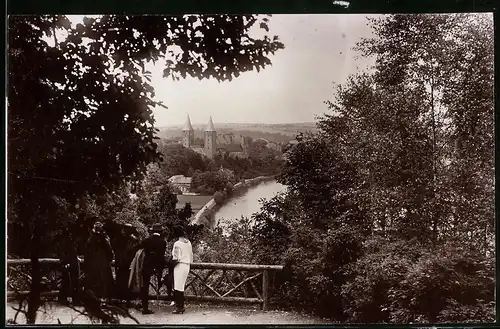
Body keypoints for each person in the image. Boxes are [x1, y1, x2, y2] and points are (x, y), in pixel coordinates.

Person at [135, 223, 166, 315]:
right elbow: (161, 257)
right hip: (156, 266)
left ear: (152, 231)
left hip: (146, 265)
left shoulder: (147, 240)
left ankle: (144, 307)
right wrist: (159, 269)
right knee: (158, 283)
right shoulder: (163, 242)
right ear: (161, 232)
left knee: (144, 286)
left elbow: (137, 246)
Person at [83, 221, 115, 301]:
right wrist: (110, 259)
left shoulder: (90, 240)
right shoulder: (104, 240)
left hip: (93, 265)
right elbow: (109, 251)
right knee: (104, 282)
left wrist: (87, 264)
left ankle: (95, 299)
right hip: (102, 265)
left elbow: (86, 254)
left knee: (94, 282)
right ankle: (104, 299)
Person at [114, 223, 140, 307]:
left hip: (124, 263)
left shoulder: (124, 238)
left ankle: (123, 299)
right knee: (125, 281)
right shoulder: (125, 239)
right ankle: (124, 299)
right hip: (124, 263)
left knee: (125, 281)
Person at [171, 225, 193, 314]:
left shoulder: (177, 244)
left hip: (180, 266)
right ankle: (180, 306)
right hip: (187, 265)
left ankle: (179, 307)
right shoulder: (188, 242)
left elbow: (176, 258)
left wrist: (171, 264)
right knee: (181, 286)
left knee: (178, 287)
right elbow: (191, 255)